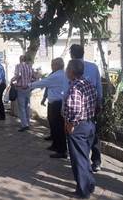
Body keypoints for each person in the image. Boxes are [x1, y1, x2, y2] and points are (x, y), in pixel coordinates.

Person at [64, 59, 97, 199]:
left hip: (78, 127)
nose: (65, 71)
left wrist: (71, 124)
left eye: (67, 69)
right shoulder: (87, 83)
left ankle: (83, 191)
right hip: (89, 124)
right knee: (84, 158)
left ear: (71, 71)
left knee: (79, 160)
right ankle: (89, 185)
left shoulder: (75, 86)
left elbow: (75, 109)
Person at [70, 44, 103, 172]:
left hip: (77, 106)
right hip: (91, 105)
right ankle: (96, 161)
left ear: (72, 54)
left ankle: (82, 163)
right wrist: (99, 103)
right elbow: (99, 87)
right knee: (93, 133)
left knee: (77, 135)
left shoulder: (71, 67)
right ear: (83, 53)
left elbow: (67, 88)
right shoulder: (93, 67)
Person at [31, 58, 69, 158]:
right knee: (53, 125)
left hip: (57, 104)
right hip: (54, 103)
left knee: (58, 127)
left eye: (53, 64)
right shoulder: (61, 74)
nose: (51, 66)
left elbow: (43, 83)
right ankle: (55, 145)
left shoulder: (57, 75)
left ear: (57, 65)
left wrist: (28, 85)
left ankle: (61, 150)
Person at [11, 55, 33, 132]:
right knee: (27, 106)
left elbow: (18, 75)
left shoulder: (18, 66)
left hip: (20, 88)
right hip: (28, 88)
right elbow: (32, 77)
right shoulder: (29, 66)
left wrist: (12, 80)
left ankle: (24, 125)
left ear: (20, 59)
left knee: (22, 107)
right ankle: (28, 122)